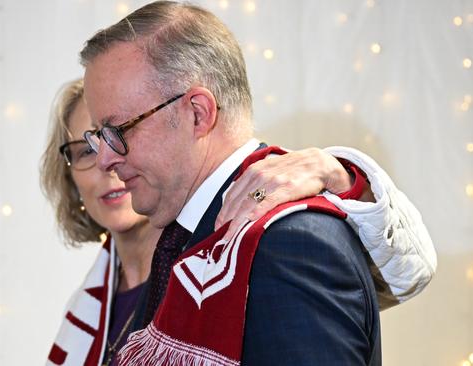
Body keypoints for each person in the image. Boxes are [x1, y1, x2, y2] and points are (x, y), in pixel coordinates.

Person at [74, 1, 436, 365]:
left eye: (117, 131)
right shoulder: (186, 233)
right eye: (97, 138)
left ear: (198, 114)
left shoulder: (287, 243)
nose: (105, 159)